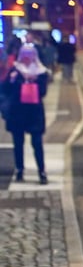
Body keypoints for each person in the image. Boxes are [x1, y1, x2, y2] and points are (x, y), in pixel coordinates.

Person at [2, 44, 50, 184]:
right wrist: (12, 80)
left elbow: (43, 92)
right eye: (25, 56)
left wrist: (34, 81)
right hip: (17, 112)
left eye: (30, 56)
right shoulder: (15, 70)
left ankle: (41, 171)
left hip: (34, 113)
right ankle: (19, 170)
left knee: (37, 142)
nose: (27, 59)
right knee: (18, 143)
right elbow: (5, 89)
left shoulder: (41, 72)